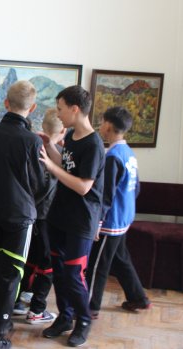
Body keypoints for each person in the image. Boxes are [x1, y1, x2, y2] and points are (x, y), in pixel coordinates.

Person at [0, 80, 46, 349]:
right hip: (20, 217)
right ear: (33, 108)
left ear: (6, 103)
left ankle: (0, 324)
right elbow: (40, 184)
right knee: (12, 273)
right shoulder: (32, 140)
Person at [39, 85, 105, 348]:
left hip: (81, 221)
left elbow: (83, 186)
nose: (58, 114)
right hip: (60, 216)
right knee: (58, 271)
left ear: (75, 109)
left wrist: (51, 166)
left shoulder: (94, 144)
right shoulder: (71, 136)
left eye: (61, 109)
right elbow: (66, 165)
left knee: (74, 274)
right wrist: (49, 147)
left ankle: (83, 321)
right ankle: (65, 317)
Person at [86, 107, 151, 318]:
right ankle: (138, 298)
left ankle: (90, 307)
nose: (100, 125)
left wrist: (98, 223)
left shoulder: (113, 156)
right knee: (120, 258)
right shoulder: (128, 152)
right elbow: (137, 187)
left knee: (98, 264)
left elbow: (106, 195)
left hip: (111, 221)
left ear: (108, 125)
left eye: (102, 121)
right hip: (125, 216)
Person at [14, 108, 66, 325]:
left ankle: (18, 301)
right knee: (47, 262)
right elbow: (49, 187)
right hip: (47, 216)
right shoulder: (59, 156)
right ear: (63, 131)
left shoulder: (30, 147)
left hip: (27, 213)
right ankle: (37, 309)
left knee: (29, 258)